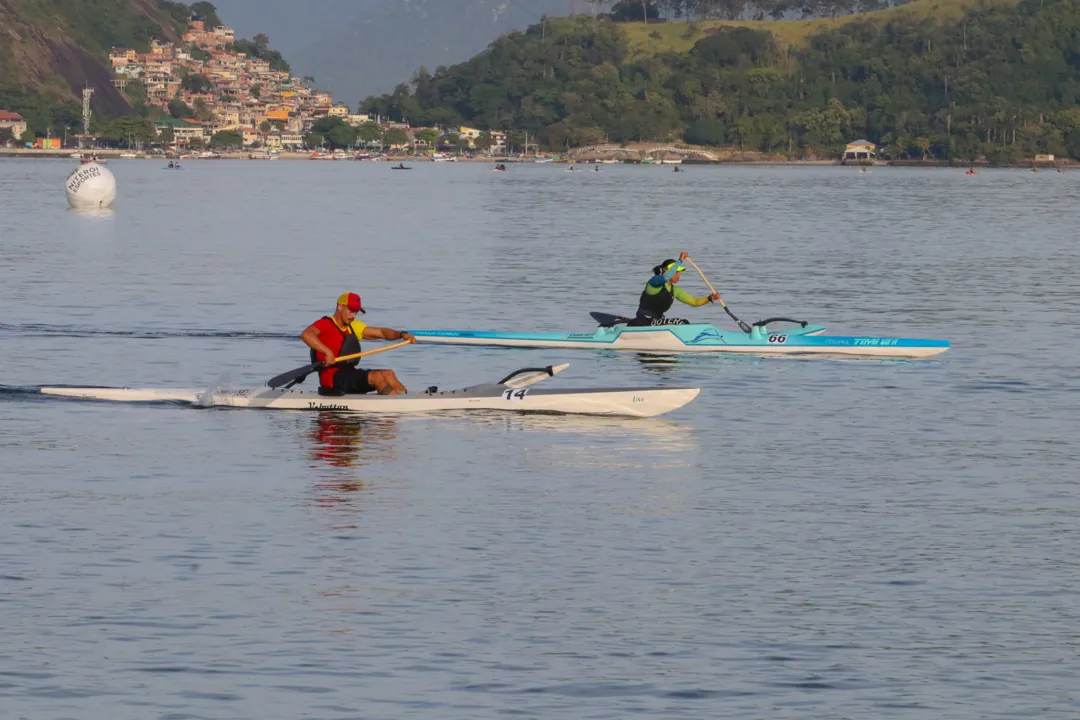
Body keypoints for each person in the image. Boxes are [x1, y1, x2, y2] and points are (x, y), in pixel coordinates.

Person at [301, 293, 414, 395]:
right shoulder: (325, 324)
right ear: (340, 307)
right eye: (351, 311)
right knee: (377, 377)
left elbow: (381, 333)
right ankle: (395, 406)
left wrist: (402, 334)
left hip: (349, 373)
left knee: (388, 373)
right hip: (331, 377)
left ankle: (408, 400)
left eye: (356, 312)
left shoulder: (353, 326)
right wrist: (327, 352)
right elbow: (306, 334)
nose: (353, 316)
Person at [633, 251, 720, 325]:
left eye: (679, 272)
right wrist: (680, 261)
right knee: (680, 322)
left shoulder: (675, 290)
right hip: (643, 320)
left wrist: (710, 298)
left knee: (684, 322)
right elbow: (665, 278)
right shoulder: (654, 282)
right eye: (676, 272)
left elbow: (694, 301)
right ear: (666, 271)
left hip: (656, 321)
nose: (679, 275)